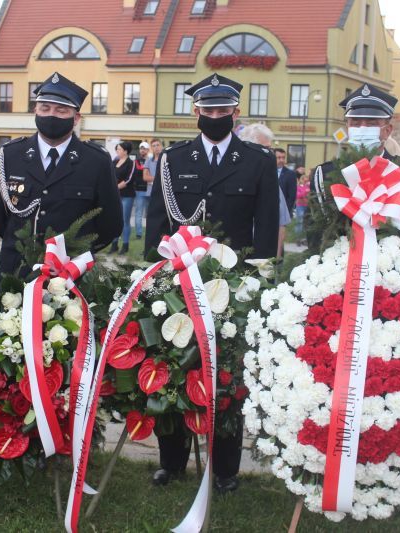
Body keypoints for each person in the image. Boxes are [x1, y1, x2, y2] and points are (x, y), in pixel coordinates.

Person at [145, 73, 280, 493]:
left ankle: (225, 469)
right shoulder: (174, 159)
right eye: (209, 109)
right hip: (178, 281)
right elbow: (157, 221)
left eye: (223, 110)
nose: (216, 116)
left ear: (236, 112)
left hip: (232, 286)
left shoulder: (258, 160)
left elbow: (266, 227)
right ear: (196, 112)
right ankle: (171, 461)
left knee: (226, 377)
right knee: (173, 366)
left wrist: (258, 280)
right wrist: (155, 273)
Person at [0, 71, 122, 283]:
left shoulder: (96, 161)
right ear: (35, 111)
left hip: (73, 276)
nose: (51, 115)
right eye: (45, 108)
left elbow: (110, 224)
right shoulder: (11, 155)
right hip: (18, 272)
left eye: (61, 110)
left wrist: (75, 255)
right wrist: (25, 247)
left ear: (76, 118)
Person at [311, 84, 400, 243]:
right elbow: (315, 233)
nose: (362, 128)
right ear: (348, 128)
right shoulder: (325, 174)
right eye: (355, 123)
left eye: (371, 123)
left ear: (387, 130)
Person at [238, 123, 292, 258]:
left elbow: (281, 225)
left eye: (270, 149)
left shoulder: (270, 181)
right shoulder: (230, 177)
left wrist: (273, 261)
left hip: (261, 256)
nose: (270, 154)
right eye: (265, 149)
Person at [110, 141, 135, 254]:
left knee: (125, 220)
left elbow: (129, 179)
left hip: (127, 195)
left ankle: (125, 245)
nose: (117, 151)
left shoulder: (131, 163)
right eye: (117, 149)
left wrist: (115, 187)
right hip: (115, 196)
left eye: (119, 149)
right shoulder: (114, 161)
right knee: (114, 219)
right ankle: (114, 244)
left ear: (125, 151)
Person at [133, 141, 152, 240]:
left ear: (148, 150)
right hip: (139, 190)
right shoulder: (136, 161)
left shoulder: (152, 161)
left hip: (150, 189)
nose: (142, 150)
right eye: (141, 148)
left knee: (150, 213)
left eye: (144, 149)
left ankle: (150, 232)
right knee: (139, 213)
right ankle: (139, 234)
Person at [275, 148, 297, 215]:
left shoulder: (290, 174)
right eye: (279, 158)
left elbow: (291, 196)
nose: (281, 160)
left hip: (282, 212)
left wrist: (285, 212)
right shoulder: (266, 172)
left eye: (283, 158)